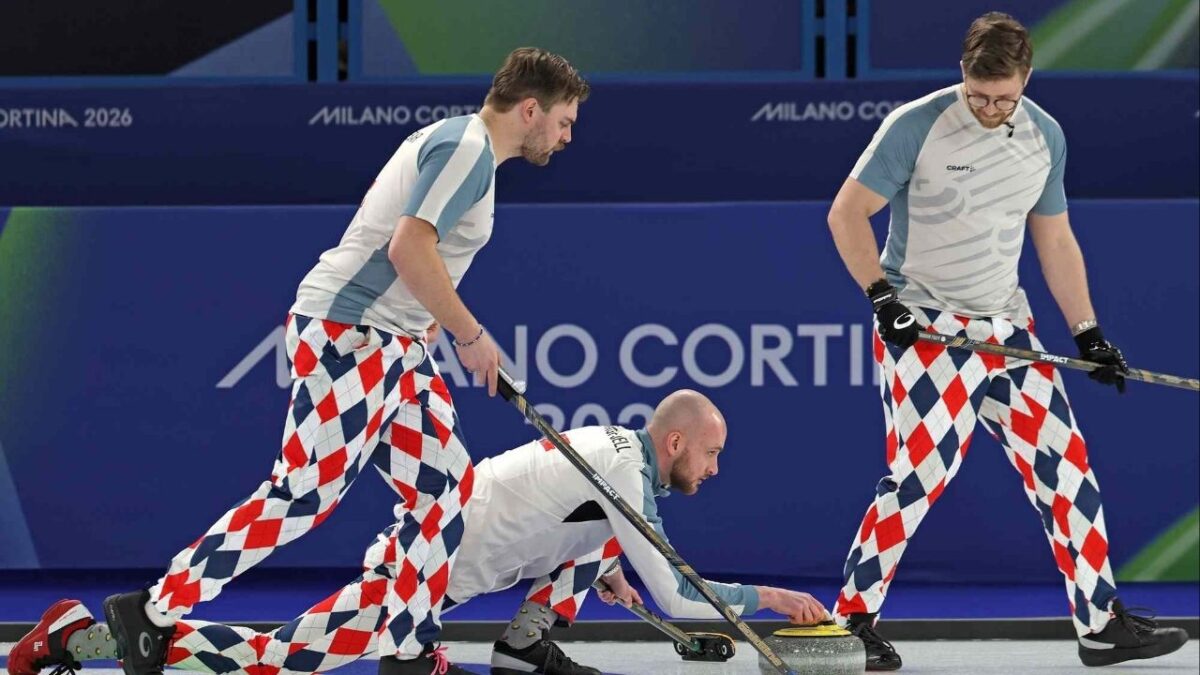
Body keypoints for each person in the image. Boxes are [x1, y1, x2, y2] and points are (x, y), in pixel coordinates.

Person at [89, 47, 589, 675]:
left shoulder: (464, 147)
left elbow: (415, 252)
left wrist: (427, 321)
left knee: (443, 492)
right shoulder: (467, 148)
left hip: (395, 345)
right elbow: (409, 246)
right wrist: (470, 336)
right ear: (530, 109)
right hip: (351, 335)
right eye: (565, 120)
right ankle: (155, 609)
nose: (568, 135)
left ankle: (407, 653)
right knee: (301, 495)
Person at [823, 11, 1189, 671]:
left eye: (1004, 97)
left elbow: (1054, 237)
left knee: (1067, 471)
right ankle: (850, 622)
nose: (991, 108)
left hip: (1007, 334)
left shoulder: (1045, 136)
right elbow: (846, 213)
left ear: (1025, 79)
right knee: (918, 474)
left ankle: (1101, 624)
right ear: (963, 74)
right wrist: (883, 297)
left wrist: (1089, 331)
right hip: (928, 327)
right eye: (979, 94)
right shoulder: (917, 124)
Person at [8, 390, 827, 675]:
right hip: (416, 572)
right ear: (677, 440)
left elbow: (572, 523)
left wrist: (595, 567)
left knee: (606, 546)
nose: (717, 469)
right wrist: (774, 598)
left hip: (438, 557)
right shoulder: (624, 474)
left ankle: (522, 645)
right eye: (713, 454)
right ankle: (81, 640)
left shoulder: (615, 452)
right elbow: (681, 600)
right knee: (280, 655)